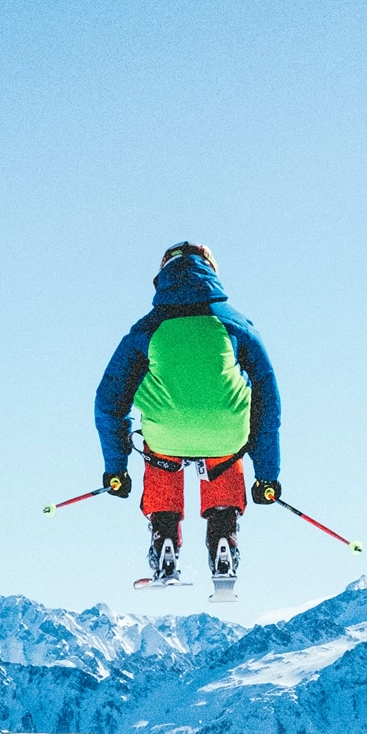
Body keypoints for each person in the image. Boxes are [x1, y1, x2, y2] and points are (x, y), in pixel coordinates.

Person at [95, 242, 282, 583]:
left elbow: (109, 402)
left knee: (159, 440)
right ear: (213, 273)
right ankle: (223, 536)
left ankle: (164, 537)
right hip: (227, 434)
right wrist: (266, 474)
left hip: (166, 434)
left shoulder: (146, 329)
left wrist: (116, 469)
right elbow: (268, 399)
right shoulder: (236, 325)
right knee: (225, 437)